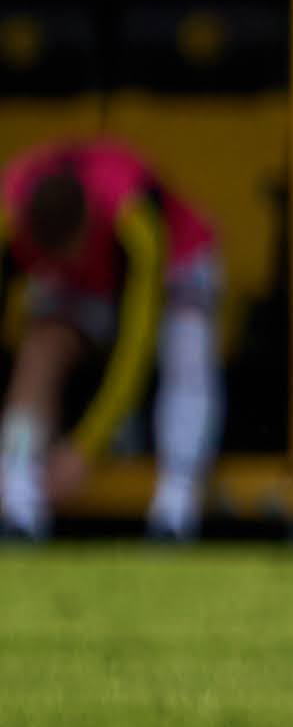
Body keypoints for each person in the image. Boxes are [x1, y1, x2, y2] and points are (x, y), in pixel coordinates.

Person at [2, 138, 222, 542]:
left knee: (185, 346)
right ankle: (18, 494)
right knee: (40, 348)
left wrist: (85, 447)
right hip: (90, 290)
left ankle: (177, 500)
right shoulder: (8, 213)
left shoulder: (133, 214)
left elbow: (135, 343)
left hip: (176, 267)